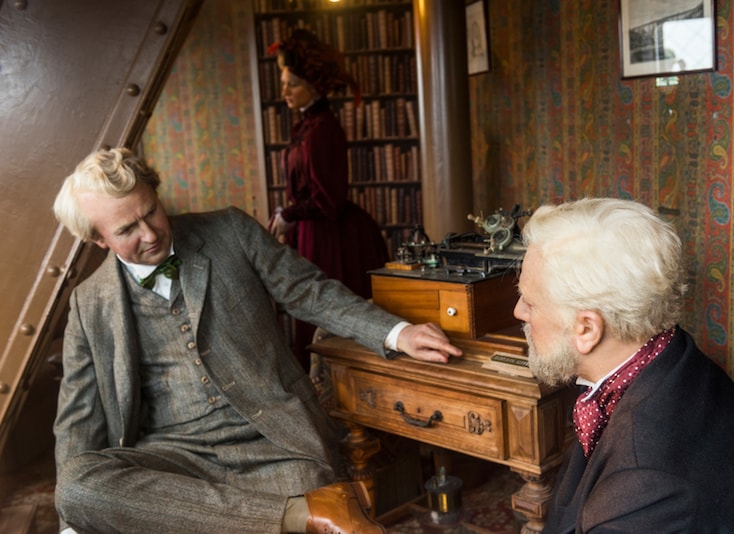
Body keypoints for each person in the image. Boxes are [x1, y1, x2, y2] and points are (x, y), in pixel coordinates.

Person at [51, 147, 462, 534]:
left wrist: (396, 332)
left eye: (151, 211)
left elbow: (308, 291)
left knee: (299, 487)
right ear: (98, 239)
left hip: (275, 441)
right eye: (127, 229)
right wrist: (73, 519)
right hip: (175, 461)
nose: (150, 233)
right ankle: (295, 515)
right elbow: (78, 419)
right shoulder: (89, 303)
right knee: (75, 487)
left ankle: (270, 515)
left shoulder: (229, 229)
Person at [513, 198, 734, 533]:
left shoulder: (646, 485)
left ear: (587, 329)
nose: (519, 311)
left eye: (530, 302)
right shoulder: (669, 353)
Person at [266, 29, 389, 373]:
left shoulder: (322, 128)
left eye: (292, 84)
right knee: (310, 309)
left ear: (314, 86)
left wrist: (288, 214)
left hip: (329, 237)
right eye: (284, 83)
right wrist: (289, 214)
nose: (284, 92)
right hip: (312, 232)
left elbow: (328, 201)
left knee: (324, 312)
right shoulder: (307, 125)